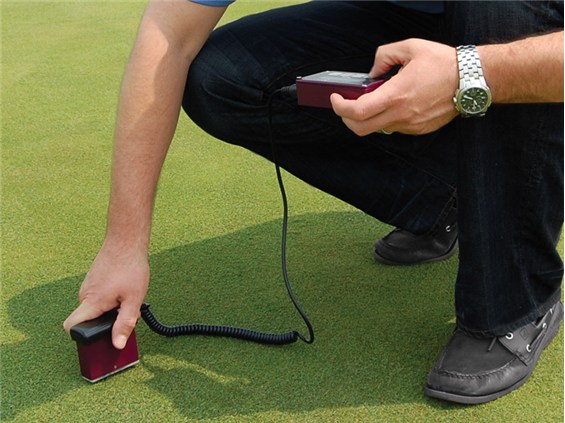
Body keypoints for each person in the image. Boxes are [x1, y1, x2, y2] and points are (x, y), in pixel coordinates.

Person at [63, 0, 564, 404]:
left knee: (499, 10)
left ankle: (514, 301)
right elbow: (168, 36)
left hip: (531, 35)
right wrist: (123, 244)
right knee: (221, 77)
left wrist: (467, 73)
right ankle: (446, 198)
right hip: (414, 22)